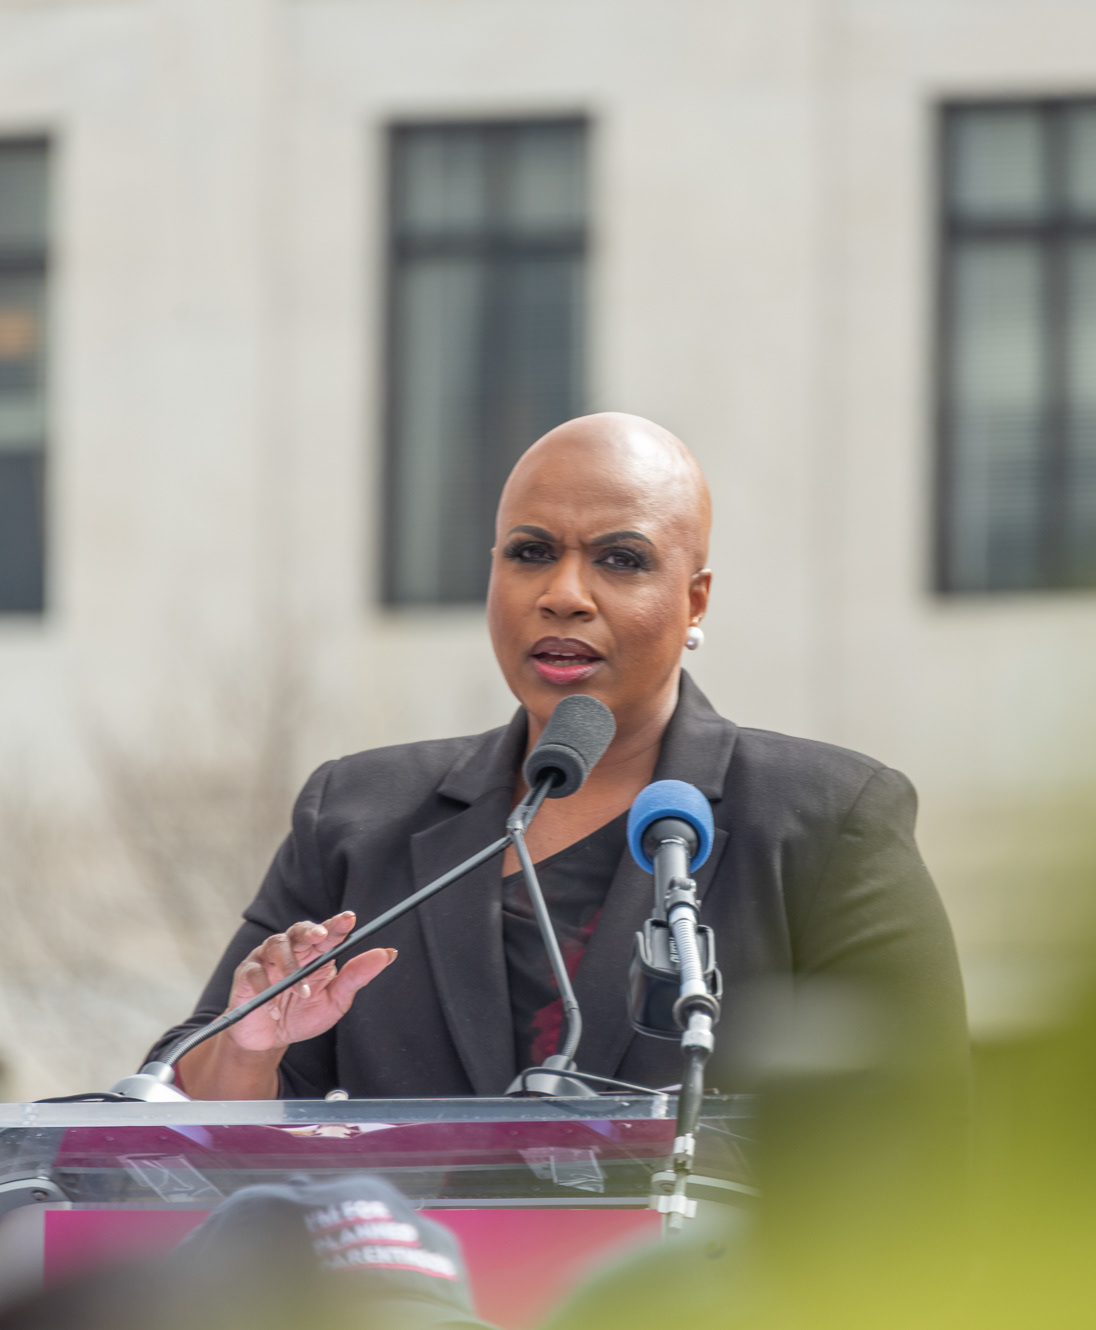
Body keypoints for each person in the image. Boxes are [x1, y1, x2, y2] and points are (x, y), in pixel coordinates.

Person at [149, 413, 966, 1100]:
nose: (564, 594)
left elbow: (913, 1144)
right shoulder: (359, 815)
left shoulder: (825, 820)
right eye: (531, 552)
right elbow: (180, 1111)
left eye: (621, 560)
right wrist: (252, 1048)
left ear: (695, 601)